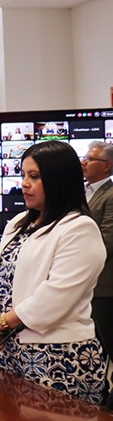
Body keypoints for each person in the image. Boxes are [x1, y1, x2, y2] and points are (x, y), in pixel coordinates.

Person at [0, 140, 107, 405]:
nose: (25, 183)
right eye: (23, 175)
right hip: (10, 350)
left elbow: (54, 298)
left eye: (34, 177)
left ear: (59, 179)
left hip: (59, 357)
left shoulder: (79, 228)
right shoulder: (17, 223)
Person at [82, 141, 113, 354]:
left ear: (106, 166)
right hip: (81, 283)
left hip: (102, 286)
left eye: (91, 159)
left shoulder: (110, 196)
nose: (84, 162)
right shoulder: (80, 191)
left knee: (106, 344)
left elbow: (108, 240)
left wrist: (73, 255)